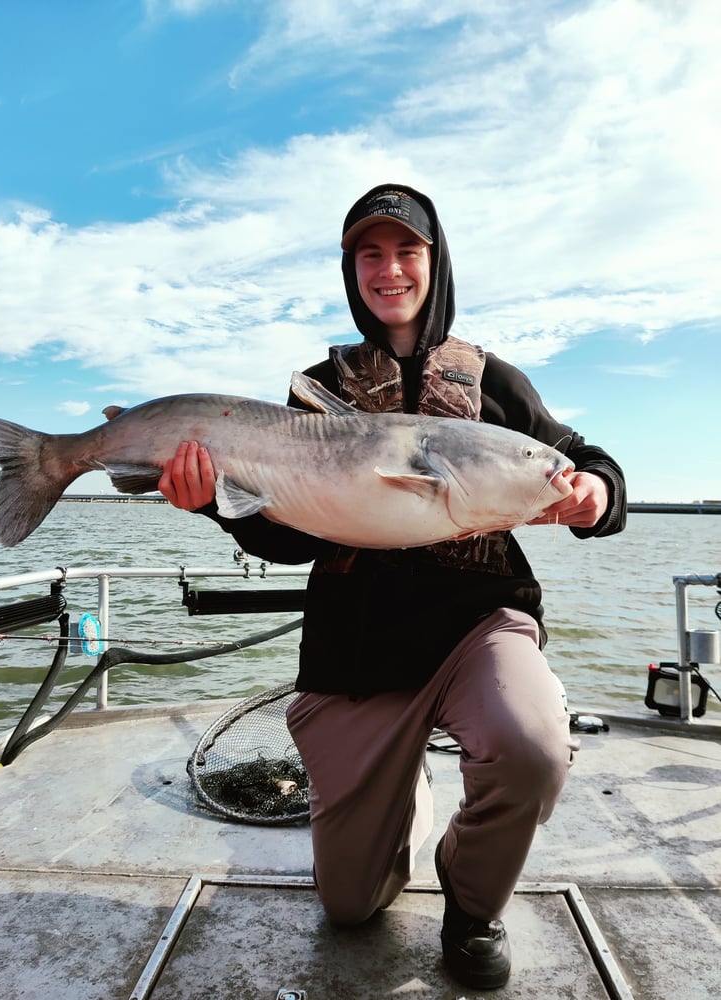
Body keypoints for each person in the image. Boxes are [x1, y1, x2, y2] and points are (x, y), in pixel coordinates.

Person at [158, 184, 626, 990]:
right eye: (369, 254)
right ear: (352, 271)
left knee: (532, 748)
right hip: (359, 648)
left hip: (480, 625)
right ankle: (396, 796)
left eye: (406, 251)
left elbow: (589, 463)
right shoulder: (312, 391)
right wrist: (218, 510)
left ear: (434, 263)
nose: (389, 269)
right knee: (351, 906)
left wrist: (594, 494)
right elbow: (284, 539)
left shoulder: (494, 383)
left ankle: (473, 903)